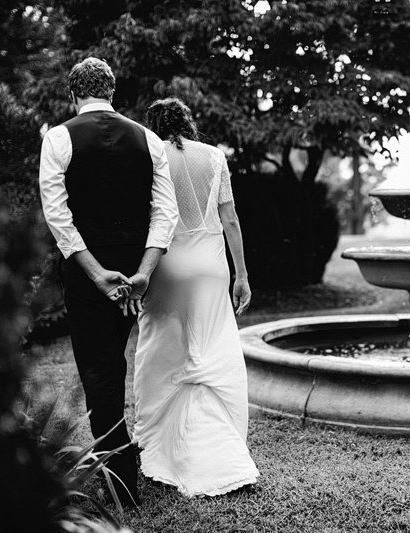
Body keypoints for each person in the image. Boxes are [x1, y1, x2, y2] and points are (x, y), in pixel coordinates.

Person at [38, 58, 179, 508]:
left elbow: (57, 215)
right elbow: (166, 213)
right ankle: (119, 464)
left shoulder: (59, 138)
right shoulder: (149, 139)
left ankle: (119, 480)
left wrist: (96, 274)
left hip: (88, 276)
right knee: (112, 364)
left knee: (100, 370)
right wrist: (144, 271)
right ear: (112, 92)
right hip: (134, 271)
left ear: (72, 94)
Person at [130, 97, 259, 497]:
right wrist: (242, 274)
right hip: (211, 268)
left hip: (168, 264)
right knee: (211, 349)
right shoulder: (215, 156)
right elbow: (230, 218)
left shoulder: (151, 155)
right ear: (189, 123)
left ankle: (160, 445)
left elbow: (146, 216)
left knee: (163, 349)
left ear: (153, 125)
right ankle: (222, 449)